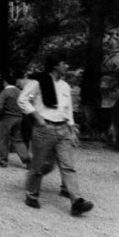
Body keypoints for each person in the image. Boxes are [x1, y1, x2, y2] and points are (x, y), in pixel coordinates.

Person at [18, 56, 94, 216]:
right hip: (44, 128)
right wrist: (37, 117)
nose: (67, 66)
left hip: (63, 129)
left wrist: (72, 129)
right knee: (38, 165)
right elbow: (22, 100)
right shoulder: (37, 82)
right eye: (64, 63)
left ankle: (76, 201)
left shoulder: (66, 86)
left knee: (68, 166)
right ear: (54, 66)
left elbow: (68, 110)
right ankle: (31, 194)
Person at [0, 72, 31, 168]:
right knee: (18, 140)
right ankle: (27, 160)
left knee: (2, 139)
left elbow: (0, 107)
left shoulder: (4, 93)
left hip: (6, 118)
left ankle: (1, 160)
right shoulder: (19, 92)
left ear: (5, 82)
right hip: (19, 118)